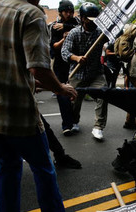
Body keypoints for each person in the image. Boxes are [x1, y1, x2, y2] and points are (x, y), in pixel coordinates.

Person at [0, 0, 78, 210]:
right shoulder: (31, 15)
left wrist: (35, 83)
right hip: (20, 114)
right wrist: (60, 88)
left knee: (8, 166)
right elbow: (38, 67)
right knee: (44, 168)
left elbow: (11, 63)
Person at [62, 2, 109, 140]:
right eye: (89, 19)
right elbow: (65, 52)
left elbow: (115, 36)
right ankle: (75, 121)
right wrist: (76, 58)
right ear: (82, 18)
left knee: (103, 94)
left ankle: (98, 127)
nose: (92, 22)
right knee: (75, 100)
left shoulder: (101, 33)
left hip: (96, 73)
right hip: (78, 73)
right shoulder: (74, 33)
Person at [50, 0, 80, 136]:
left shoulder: (76, 22)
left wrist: (66, 26)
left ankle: (74, 120)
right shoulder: (55, 27)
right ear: (60, 12)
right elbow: (54, 47)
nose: (69, 14)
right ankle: (66, 124)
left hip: (75, 64)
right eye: (66, 12)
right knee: (62, 94)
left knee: (75, 94)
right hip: (60, 65)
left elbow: (81, 26)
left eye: (70, 11)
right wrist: (64, 38)